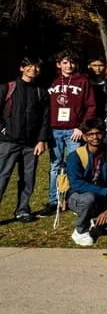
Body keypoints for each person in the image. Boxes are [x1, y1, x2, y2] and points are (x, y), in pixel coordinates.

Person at [43, 50, 97, 217]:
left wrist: (81, 127)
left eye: (72, 62)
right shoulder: (51, 81)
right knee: (55, 165)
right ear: (59, 64)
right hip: (55, 130)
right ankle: (54, 200)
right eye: (65, 62)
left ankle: (73, 198)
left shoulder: (83, 81)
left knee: (74, 165)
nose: (69, 66)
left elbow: (91, 106)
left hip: (74, 130)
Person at [0, 57, 50, 222]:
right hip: (8, 142)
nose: (33, 69)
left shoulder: (41, 92)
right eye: (29, 66)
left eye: (36, 66)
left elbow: (45, 118)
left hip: (31, 144)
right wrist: (3, 130)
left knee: (28, 178)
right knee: (2, 176)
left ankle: (22, 210)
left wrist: (41, 140)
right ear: (22, 68)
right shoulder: (7, 88)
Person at [65, 118, 107, 246]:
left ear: (104, 134)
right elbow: (76, 184)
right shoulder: (75, 156)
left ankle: (93, 221)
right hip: (79, 197)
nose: (95, 137)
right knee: (89, 198)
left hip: (104, 200)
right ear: (84, 137)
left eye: (98, 133)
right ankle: (80, 230)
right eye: (90, 134)